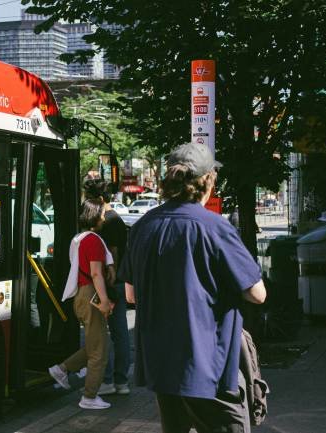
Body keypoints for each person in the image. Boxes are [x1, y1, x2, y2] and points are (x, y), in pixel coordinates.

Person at [119, 142, 267, 433]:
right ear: (207, 181)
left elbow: (130, 294)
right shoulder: (214, 227)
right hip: (209, 364)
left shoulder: (142, 226)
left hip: (162, 366)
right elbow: (257, 293)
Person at [48, 198, 114, 410]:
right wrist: (104, 300)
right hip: (91, 295)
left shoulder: (77, 239)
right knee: (100, 351)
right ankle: (89, 396)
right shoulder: (93, 240)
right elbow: (96, 273)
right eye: (102, 214)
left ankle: (61, 369)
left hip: (80, 296)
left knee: (95, 345)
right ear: (95, 216)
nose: (104, 217)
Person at [84, 179, 131, 396]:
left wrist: (105, 288)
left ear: (100, 200)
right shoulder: (116, 221)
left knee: (107, 333)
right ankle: (121, 381)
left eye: (90, 199)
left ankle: (109, 378)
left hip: (110, 284)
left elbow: (113, 255)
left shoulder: (109, 223)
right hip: (118, 283)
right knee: (120, 332)